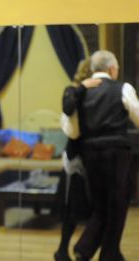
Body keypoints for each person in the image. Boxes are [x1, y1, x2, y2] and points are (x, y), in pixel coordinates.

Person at [62, 50, 139, 261]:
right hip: (116, 154)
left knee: (100, 206)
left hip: (90, 155)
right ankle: (107, 255)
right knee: (118, 205)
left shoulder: (81, 91)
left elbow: (73, 130)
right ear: (112, 69)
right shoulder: (122, 88)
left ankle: (85, 250)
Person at [55, 57, 99, 261]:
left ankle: (82, 249)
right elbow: (67, 108)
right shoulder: (72, 90)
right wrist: (83, 87)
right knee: (72, 209)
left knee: (95, 208)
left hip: (94, 157)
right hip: (76, 160)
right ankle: (63, 250)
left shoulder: (99, 93)